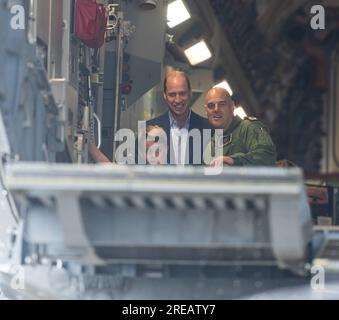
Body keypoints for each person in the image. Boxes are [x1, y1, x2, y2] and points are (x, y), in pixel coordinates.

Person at [145, 70, 211, 165]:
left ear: (190, 93)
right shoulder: (148, 129)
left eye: (182, 93)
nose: (178, 99)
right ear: (165, 95)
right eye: (172, 94)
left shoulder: (208, 129)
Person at [204, 87, 277, 166]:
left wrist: (233, 161)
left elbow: (266, 157)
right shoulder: (211, 143)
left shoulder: (249, 128)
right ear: (206, 111)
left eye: (222, 104)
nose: (216, 109)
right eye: (211, 105)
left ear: (232, 106)